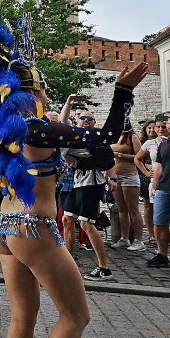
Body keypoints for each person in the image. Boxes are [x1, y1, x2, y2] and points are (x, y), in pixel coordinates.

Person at [0, 65, 146, 338]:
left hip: (4, 228)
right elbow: (104, 135)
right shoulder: (36, 129)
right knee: (76, 316)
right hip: (32, 229)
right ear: (33, 93)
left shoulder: (4, 128)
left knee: (23, 317)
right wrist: (123, 91)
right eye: (43, 87)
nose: (47, 94)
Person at [60, 110, 117, 281]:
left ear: (94, 121)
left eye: (89, 118)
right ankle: (68, 263)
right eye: (82, 118)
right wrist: (69, 104)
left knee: (86, 223)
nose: (85, 121)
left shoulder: (96, 139)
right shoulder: (73, 136)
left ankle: (104, 268)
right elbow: (63, 124)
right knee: (67, 219)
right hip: (74, 181)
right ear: (77, 120)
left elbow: (110, 161)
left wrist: (112, 178)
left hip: (91, 182)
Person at [147, 113, 170, 267]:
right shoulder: (163, 145)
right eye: (169, 123)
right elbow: (159, 166)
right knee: (159, 222)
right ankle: (162, 254)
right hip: (163, 188)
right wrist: (154, 184)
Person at [110, 121, 144, 251]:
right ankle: (124, 238)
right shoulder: (113, 136)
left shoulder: (132, 137)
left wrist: (119, 155)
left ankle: (139, 240)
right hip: (115, 175)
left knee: (133, 208)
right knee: (121, 208)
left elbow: (138, 156)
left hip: (129, 174)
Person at [135, 119, 167, 246]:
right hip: (152, 179)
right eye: (154, 127)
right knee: (151, 207)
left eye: (161, 127)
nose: (156, 130)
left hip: (168, 179)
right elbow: (137, 159)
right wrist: (145, 171)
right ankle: (153, 235)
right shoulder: (148, 143)